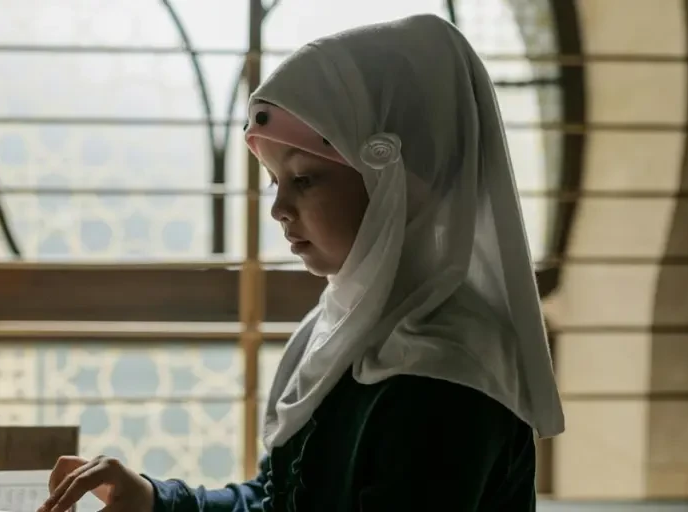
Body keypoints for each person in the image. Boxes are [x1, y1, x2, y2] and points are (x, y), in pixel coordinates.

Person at [37, 13, 565, 512]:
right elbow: (278, 499)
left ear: (396, 183)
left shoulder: (445, 375)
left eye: (304, 179)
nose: (278, 209)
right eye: (274, 182)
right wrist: (156, 499)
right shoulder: (349, 327)